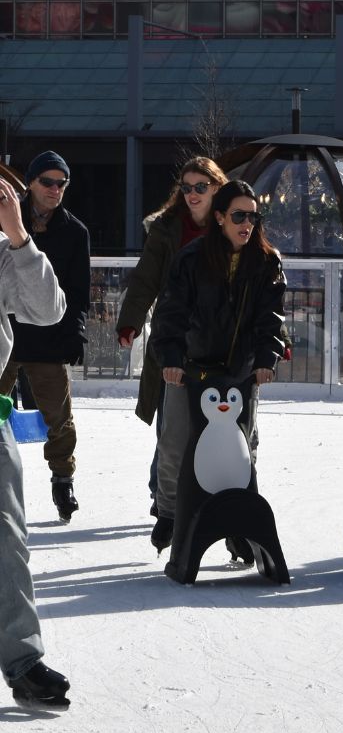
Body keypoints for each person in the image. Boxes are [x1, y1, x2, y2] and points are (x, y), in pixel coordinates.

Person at [148, 179, 287, 553]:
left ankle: (238, 524)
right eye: (239, 215)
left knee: (241, 447)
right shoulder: (191, 258)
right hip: (192, 367)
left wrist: (264, 360)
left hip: (240, 370)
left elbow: (270, 319)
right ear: (221, 217)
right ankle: (171, 514)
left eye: (254, 217)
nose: (248, 224)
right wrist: (172, 360)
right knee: (177, 440)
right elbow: (171, 314)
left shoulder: (266, 262)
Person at [115, 157, 227, 512]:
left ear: (217, 188)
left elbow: (257, 282)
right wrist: (130, 322)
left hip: (218, 337)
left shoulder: (231, 224)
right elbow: (146, 277)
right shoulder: (166, 228)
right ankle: (161, 492)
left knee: (214, 417)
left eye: (201, 187)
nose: (192, 194)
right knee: (172, 420)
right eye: (187, 187)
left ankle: (221, 495)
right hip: (174, 335)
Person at [0, 172, 71, 706]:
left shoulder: (5, 249)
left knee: (8, 539)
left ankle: (23, 659)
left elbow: (47, 311)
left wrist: (21, 239)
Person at [0, 151, 90, 523]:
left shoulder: (73, 231)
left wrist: (76, 334)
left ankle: (62, 477)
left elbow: (77, 291)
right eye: (47, 182)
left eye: (61, 183)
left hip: (49, 340)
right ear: (31, 183)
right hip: (8, 339)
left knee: (59, 416)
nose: (55, 190)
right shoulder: (6, 217)